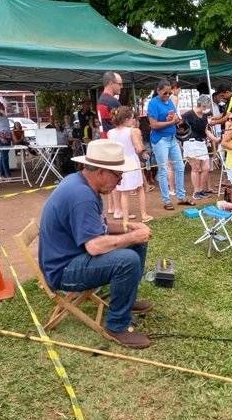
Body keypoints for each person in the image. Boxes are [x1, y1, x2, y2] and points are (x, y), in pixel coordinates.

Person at [38, 139, 152, 348]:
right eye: (118, 175)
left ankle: (126, 300)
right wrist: (131, 237)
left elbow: (97, 224)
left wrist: (130, 227)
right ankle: (117, 325)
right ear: (100, 172)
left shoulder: (80, 182)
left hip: (70, 257)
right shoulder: (81, 195)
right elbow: (94, 246)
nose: (120, 181)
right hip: (63, 271)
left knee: (137, 244)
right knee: (127, 259)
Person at [147, 79, 195, 210]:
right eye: (165, 93)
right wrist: (170, 123)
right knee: (163, 170)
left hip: (172, 138)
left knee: (180, 166)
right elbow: (153, 125)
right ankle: (166, 200)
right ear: (158, 91)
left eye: (169, 93)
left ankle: (181, 197)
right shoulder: (153, 104)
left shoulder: (170, 102)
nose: (168, 95)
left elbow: (175, 118)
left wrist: (177, 120)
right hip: (160, 139)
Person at [107, 107, 153, 223]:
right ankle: (144, 215)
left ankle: (125, 219)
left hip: (117, 163)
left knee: (124, 192)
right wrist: (144, 151)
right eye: (133, 118)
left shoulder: (110, 132)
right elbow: (139, 148)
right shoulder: (133, 131)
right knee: (140, 189)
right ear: (127, 119)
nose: (134, 120)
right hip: (131, 161)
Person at [181, 94, 216, 200]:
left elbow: (206, 130)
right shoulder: (188, 115)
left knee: (206, 167)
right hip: (191, 143)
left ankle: (201, 189)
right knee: (196, 168)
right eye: (206, 106)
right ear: (202, 105)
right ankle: (196, 191)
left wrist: (214, 139)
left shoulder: (205, 116)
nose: (207, 109)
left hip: (202, 143)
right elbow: (181, 130)